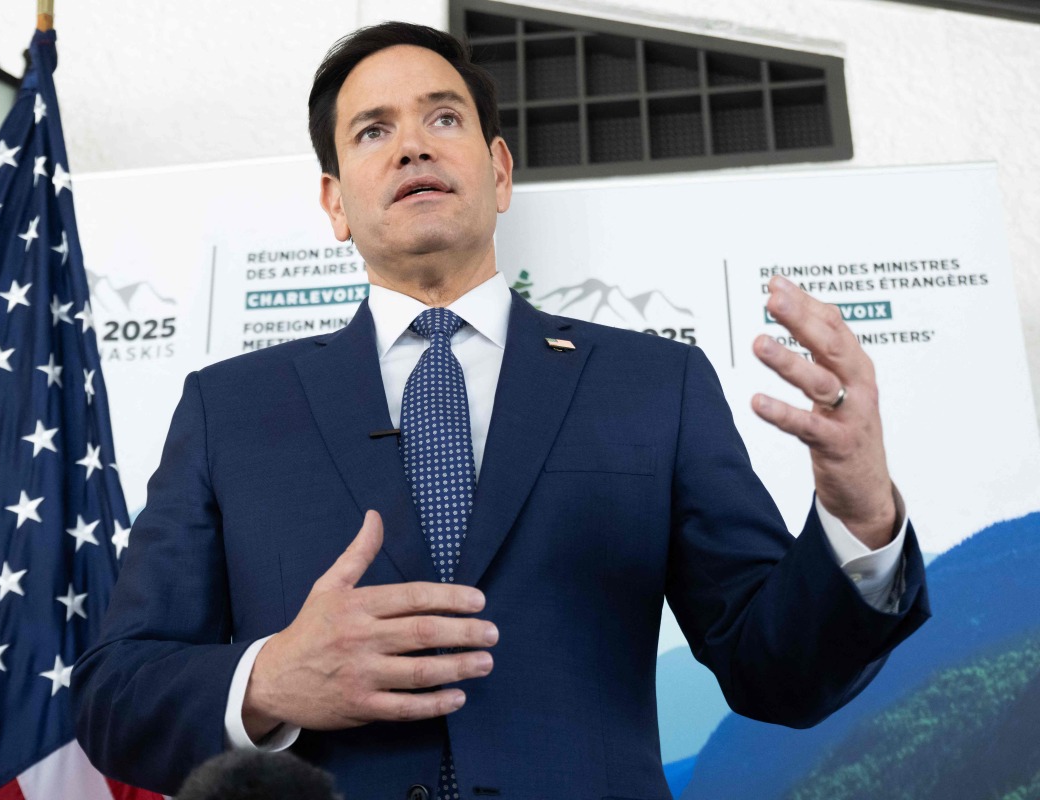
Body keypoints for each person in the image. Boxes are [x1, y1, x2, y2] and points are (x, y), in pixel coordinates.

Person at [73, 22, 930, 800]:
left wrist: (860, 515)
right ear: (334, 204)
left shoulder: (651, 385)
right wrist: (270, 681)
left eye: (442, 119)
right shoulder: (231, 409)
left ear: (502, 171)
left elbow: (777, 673)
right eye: (374, 131)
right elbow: (116, 697)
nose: (411, 146)